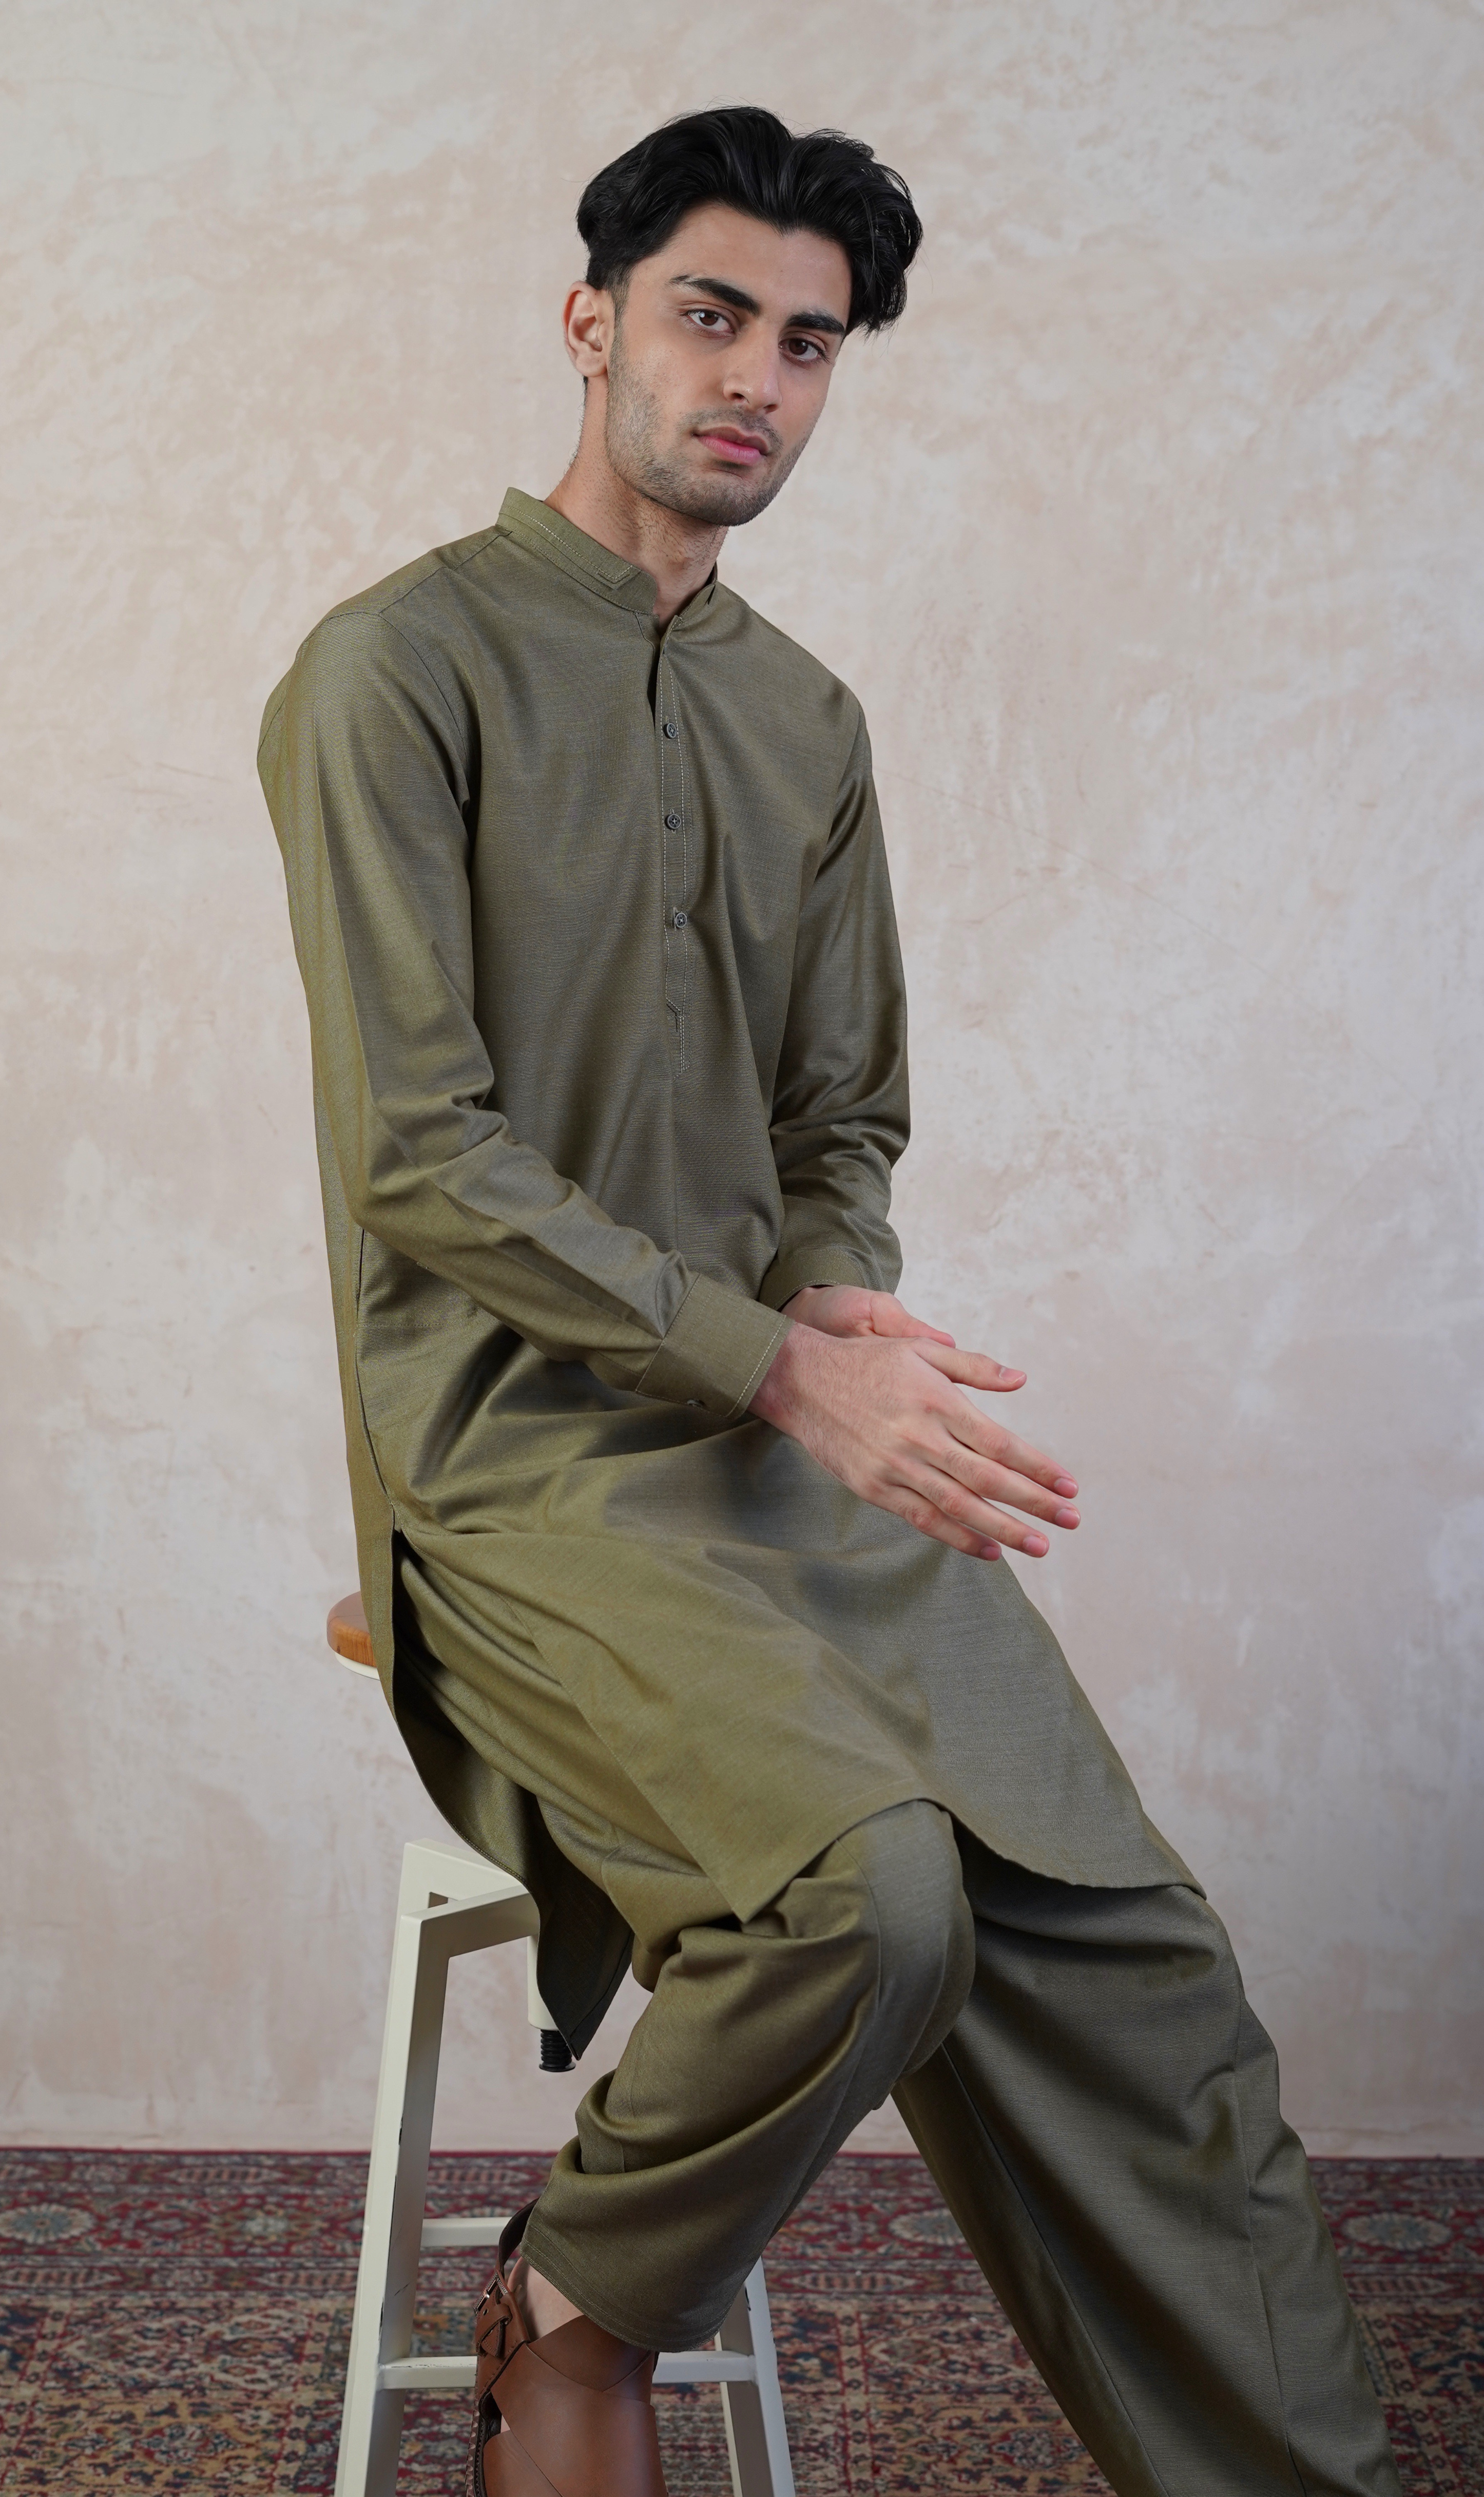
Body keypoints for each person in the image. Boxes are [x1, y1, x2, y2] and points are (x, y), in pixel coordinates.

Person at [259, 105, 1398, 2497]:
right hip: (517, 1460)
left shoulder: (809, 728)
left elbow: (834, 1133)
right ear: (591, 321)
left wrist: (838, 1321)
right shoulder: (396, 673)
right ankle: (573, 2312)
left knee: (1147, 1982)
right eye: (710, 314)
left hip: (787, 1449)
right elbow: (423, 1160)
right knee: (872, 1898)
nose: (757, 377)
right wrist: (774, 1358)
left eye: (810, 340)